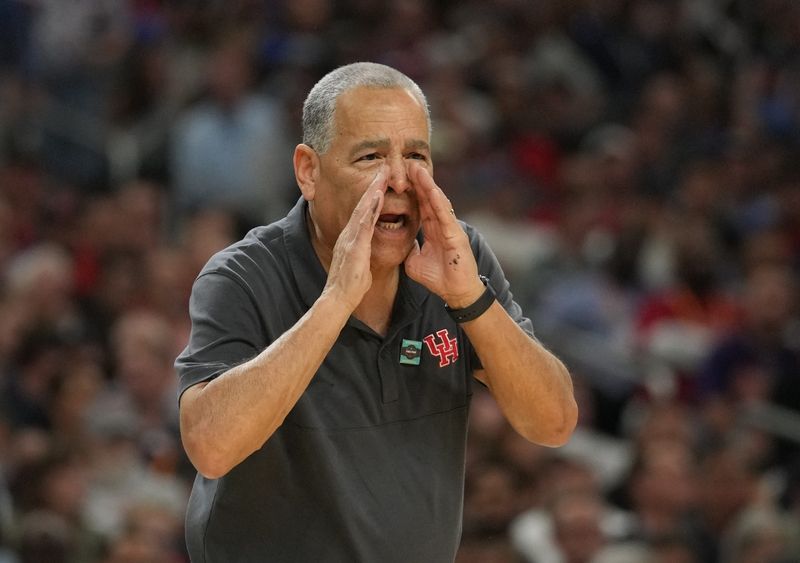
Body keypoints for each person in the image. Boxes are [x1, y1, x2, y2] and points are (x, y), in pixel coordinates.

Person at [175, 61, 578, 563]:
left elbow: (554, 423)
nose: (399, 180)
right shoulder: (243, 276)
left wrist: (471, 300)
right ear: (309, 171)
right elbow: (211, 446)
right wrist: (337, 300)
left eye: (416, 156)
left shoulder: (456, 255)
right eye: (370, 156)